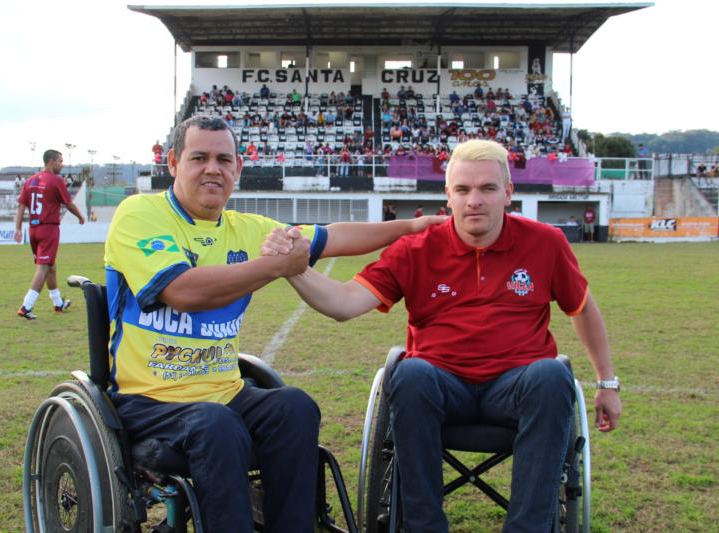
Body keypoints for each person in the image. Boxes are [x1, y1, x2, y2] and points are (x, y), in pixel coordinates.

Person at [103, 115, 446, 533]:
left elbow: (331, 236)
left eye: (224, 159)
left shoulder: (248, 230)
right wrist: (273, 266)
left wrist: (409, 228)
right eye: (199, 158)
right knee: (216, 425)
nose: (213, 168)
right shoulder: (140, 213)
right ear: (173, 162)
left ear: (238, 169)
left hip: (224, 393)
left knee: (295, 407)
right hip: (149, 401)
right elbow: (183, 291)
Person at [263, 139, 621, 532]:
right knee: (411, 374)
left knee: (553, 376)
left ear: (508, 192)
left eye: (487, 188)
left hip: (517, 386)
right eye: (463, 190)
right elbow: (346, 302)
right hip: (440, 386)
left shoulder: (546, 243)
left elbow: (582, 308)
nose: (475, 201)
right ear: (447, 195)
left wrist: (606, 382)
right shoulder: (416, 249)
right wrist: (295, 268)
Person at [14, 149, 86, 320]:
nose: (62, 164)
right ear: (51, 161)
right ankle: (26, 306)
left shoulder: (31, 180)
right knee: (43, 268)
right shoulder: (55, 180)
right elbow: (68, 204)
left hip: (33, 230)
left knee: (50, 267)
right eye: (60, 161)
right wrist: (80, 217)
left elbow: (21, 206)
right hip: (48, 229)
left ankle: (58, 303)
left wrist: (18, 228)